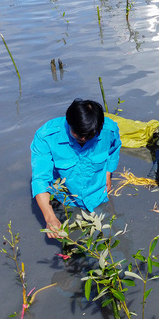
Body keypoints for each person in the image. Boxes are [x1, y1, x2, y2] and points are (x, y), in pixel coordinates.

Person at [31, 99, 121, 238]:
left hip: (98, 194)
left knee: (108, 237)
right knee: (73, 244)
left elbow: (114, 149)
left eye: (89, 136)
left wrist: (108, 173)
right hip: (65, 199)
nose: (84, 139)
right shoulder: (46, 137)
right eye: (78, 135)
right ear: (69, 122)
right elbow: (40, 180)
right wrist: (50, 218)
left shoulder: (109, 130)